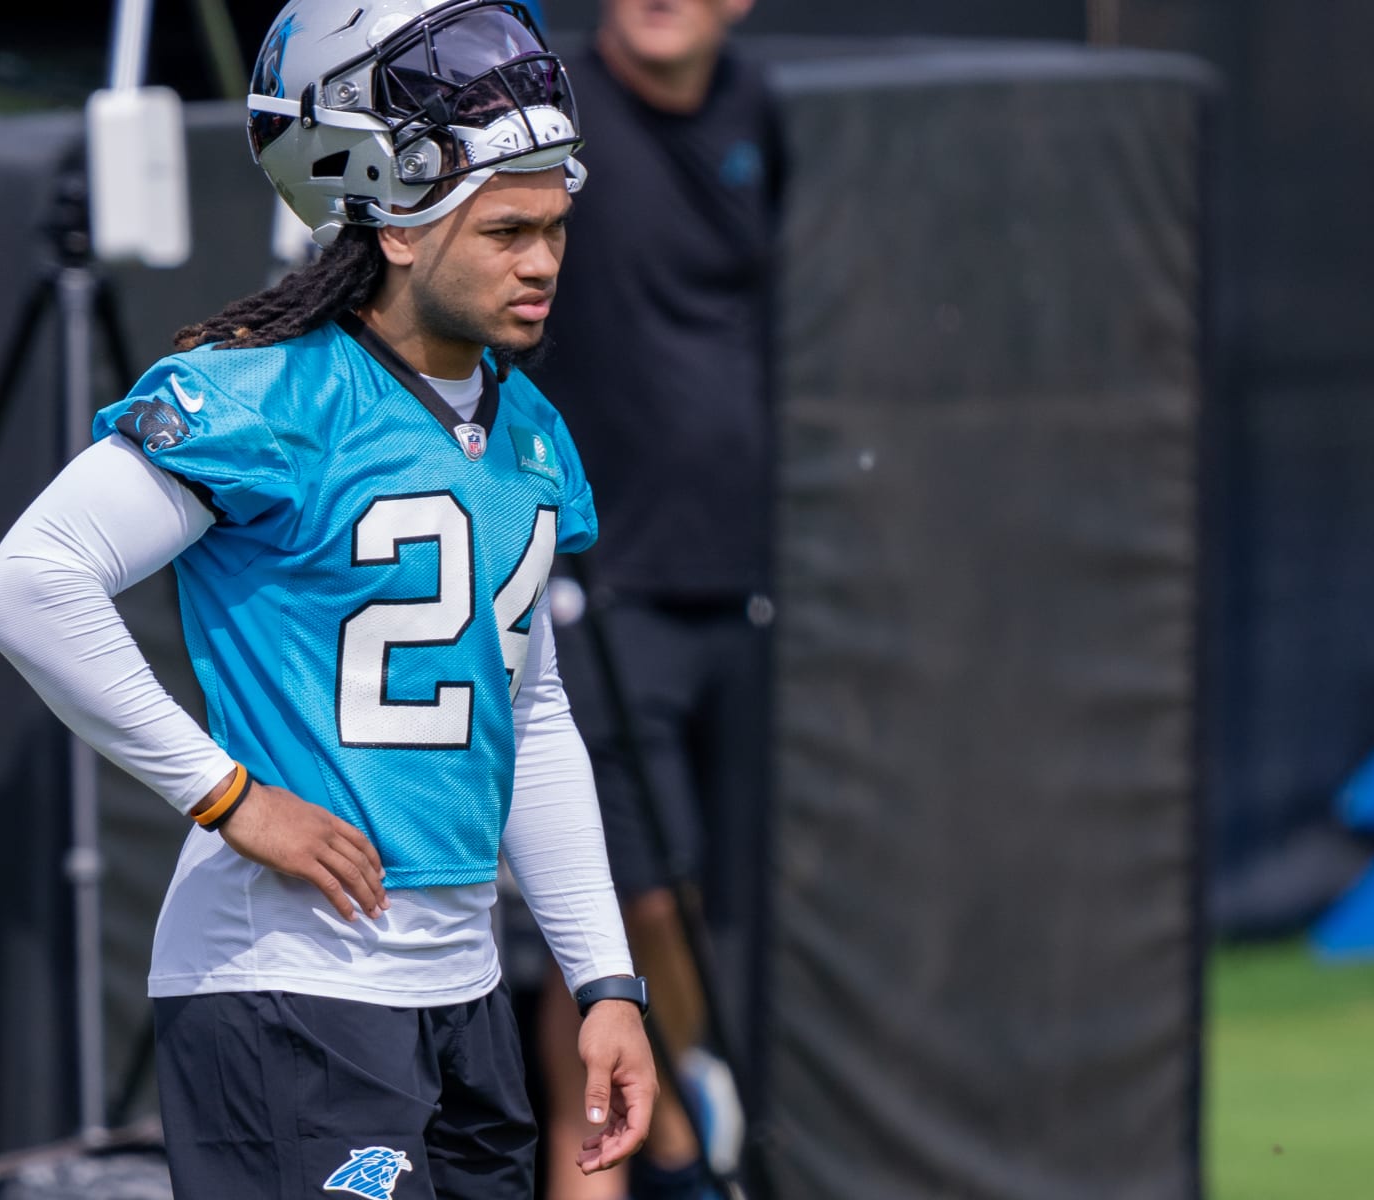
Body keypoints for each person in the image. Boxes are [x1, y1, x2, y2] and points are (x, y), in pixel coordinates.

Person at [0, 1, 657, 1196]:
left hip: (461, 991)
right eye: (504, 231)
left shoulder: (529, 431)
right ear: (395, 226)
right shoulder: (270, 394)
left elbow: (530, 719)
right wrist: (228, 798)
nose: (542, 261)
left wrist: (605, 979)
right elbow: (30, 585)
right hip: (287, 985)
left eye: (553, 228)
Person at [523, 1, 783, 1198]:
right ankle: (657, 1154)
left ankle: (674, 1122)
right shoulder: (545, 111)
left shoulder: (758, 116)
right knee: (624, 911)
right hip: (589, 592)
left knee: (680, 912)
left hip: (734, 592)